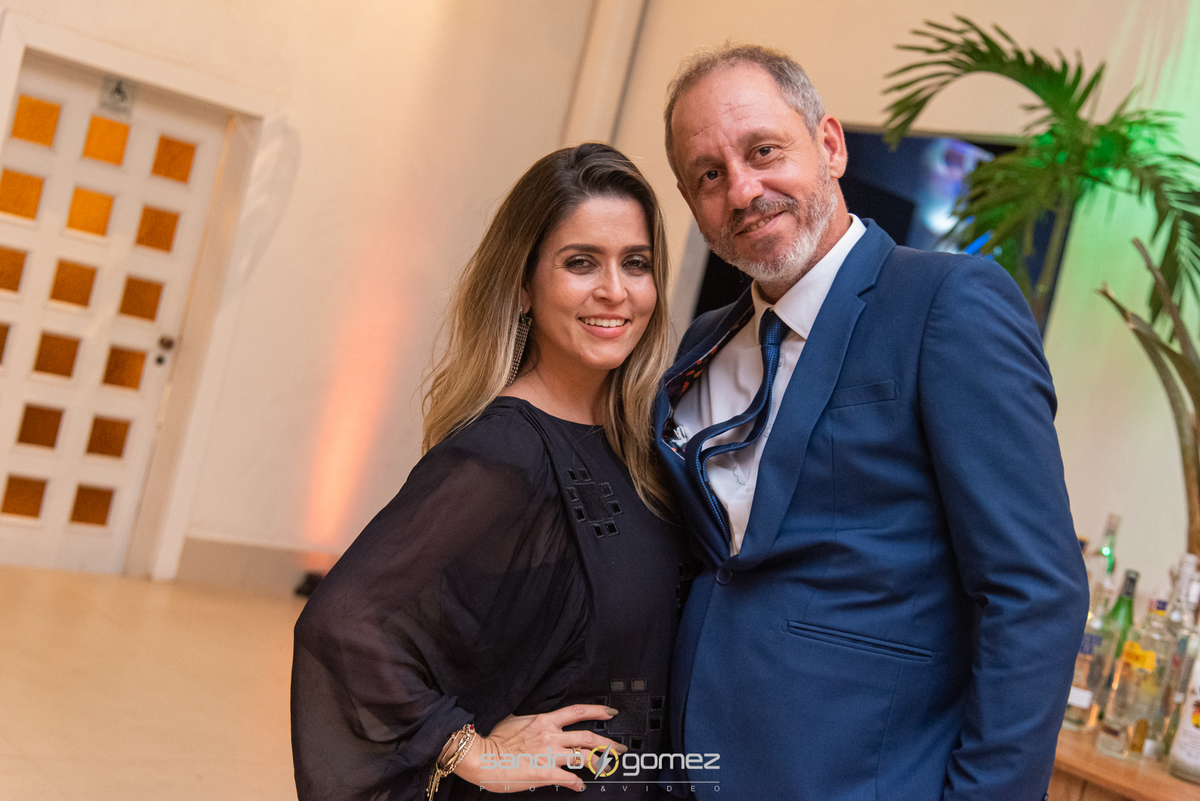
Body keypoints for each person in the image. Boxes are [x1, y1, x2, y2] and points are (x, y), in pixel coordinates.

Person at [653, 44, 1090, 799]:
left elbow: (1036, 594)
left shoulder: (949, 303)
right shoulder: (702, 344)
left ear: (829, 145)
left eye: (763, 151)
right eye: (709, 175)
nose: (743, 189)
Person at [292, 142, 691, 800]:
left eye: (636, 263)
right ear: (523, 286)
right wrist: (469, 749)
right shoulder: (506, 448)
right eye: (581, 262)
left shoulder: (639, 441)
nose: (615, 290)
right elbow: (342, 620)